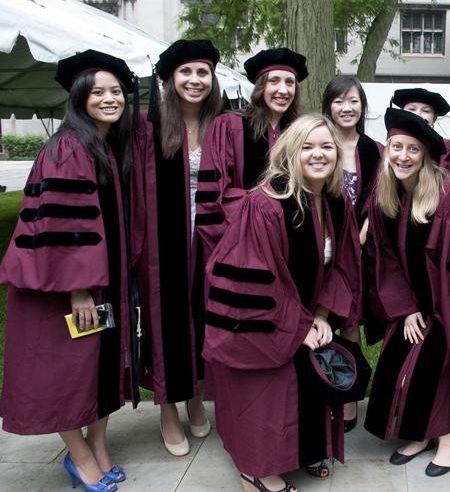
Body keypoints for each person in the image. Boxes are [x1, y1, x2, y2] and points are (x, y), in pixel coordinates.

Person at [0, 50, 135, 492]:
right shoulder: (67, 148)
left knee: (101, 366)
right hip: (70, 287)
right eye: (97, 92)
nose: (110, 98)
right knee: (69, 372)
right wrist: (80, 289)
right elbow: (63, 225)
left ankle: (98, 447)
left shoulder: (103, 145)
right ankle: (79, 457)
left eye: (116, 91)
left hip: (104, 280)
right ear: (79, 98)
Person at [203, 114, 361, 492]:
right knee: (270, 388)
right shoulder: (266, 204)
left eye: (326, 147)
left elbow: (344, 264)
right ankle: (256, 471)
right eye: (307, 147)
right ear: (290, 152)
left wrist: (321, 314)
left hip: (307, 314)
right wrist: (299, 325)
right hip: (267, 320)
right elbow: (254, 277)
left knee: (309, 377)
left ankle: (305, 450)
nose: (318, 154)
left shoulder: (336, 201)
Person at [364, 108, 450, 478]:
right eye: (396, 147)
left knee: (427, 367)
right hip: (409, 303)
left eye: (413, 149)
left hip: (446, 304)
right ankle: (421, 433)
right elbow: (385, 257)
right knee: (395, 364)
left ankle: (447, 440)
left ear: (425, 156)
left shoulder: (448, 197)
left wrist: (438, 314)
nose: (403, 156)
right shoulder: (385, 195)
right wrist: (407, 308)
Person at [130, 39, 224, 456]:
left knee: (203, 318)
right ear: (171, 78)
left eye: (203, 72)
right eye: (186, 72)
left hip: (210, 239)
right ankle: (168, 408)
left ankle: (195, 397)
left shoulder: (222, 125)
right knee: (165, 323)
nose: (195, 80)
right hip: (161, 242)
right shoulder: (147, 127)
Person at [195, 47, 307, 257]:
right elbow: (212, 195)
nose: (283, 90)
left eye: (290, 82)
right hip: (240, 242)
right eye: (274, 81)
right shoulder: (228, 126)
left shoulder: (302, 131)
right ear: (260, 86)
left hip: (292, 240)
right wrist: (260, 209)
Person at [320, 74, 382, 431]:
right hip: (321, 246)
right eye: (339, 101)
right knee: (318, 319)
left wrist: (362, 232)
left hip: (358, 249)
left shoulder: (373, 149)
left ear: (362, 106)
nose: (347, 108)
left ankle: (348, 397)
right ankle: (320, 386)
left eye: (353, 101)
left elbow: (380, 196)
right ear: (328, 105)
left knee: (349, 321)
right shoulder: (318, 143)